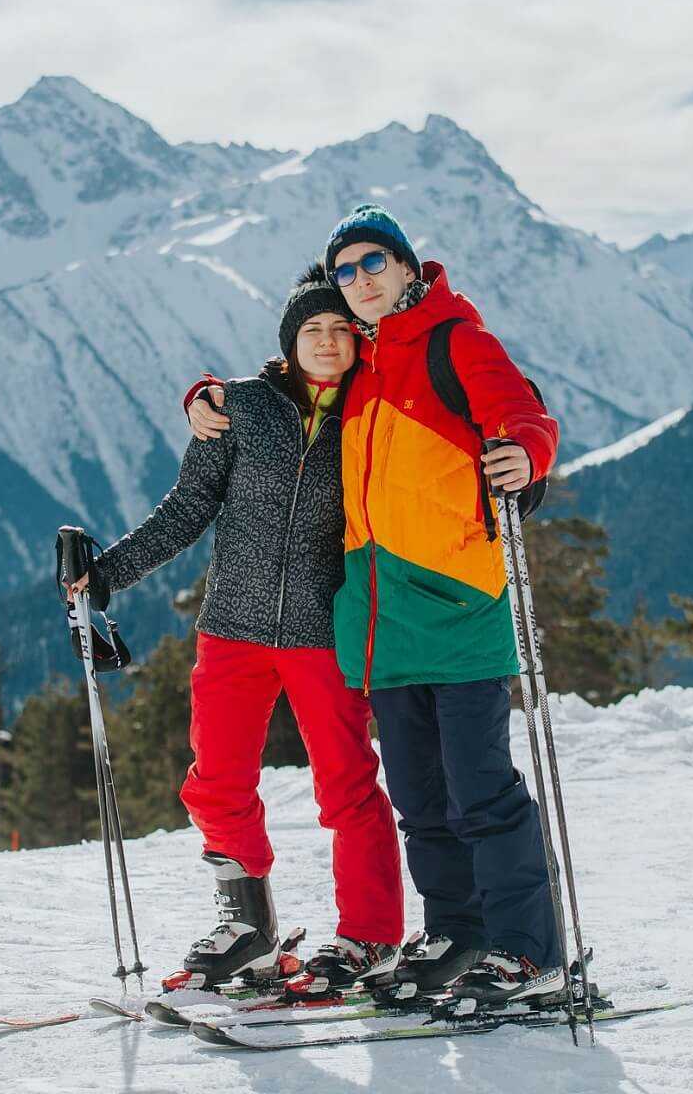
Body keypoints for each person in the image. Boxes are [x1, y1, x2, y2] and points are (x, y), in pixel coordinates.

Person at [185, 205, 564, 1005]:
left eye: (372, 263)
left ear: (405, 266)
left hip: (458, 604)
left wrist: (524, 458)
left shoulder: (456, 341)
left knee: (482, 789)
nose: (360, 280)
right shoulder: (362, 365)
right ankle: (456, 933)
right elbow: (287, 387)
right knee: (423, 799)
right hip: (381, 624)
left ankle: (528, 950)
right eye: (346, 270)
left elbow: (523, 409)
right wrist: (206, 397)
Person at [79, 264, 404, 995]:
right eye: (311, 330)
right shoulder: (241, 409)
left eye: (339, 330)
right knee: (216, 782)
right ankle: (248, 930)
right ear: (289, 343)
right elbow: (187, 507)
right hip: (234, 627)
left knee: (348, 786)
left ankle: (370, 936)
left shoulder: (372, 413)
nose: (327, 341)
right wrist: (109, 572)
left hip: (325, 632)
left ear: (359, 342)